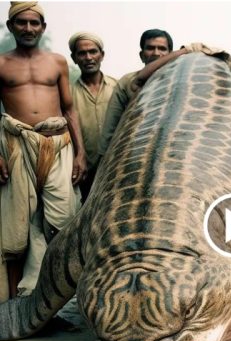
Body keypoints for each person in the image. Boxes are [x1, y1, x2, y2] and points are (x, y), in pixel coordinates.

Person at [0, 1, 87, 299]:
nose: (28, 28)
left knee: (61, 221)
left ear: (43, 27)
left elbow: (70, 109)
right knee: (17, 226)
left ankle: (53, 302)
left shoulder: (57, 62)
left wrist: (80, 153)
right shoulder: (1, 63)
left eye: (34, 23)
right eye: (21, 22)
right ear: (11, 26)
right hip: (17, 146)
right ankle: (14, 302)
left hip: (57, 145)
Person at [98, 28, 172, 160]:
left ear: (170, 53)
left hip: (169, 151)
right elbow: (111, 126)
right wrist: (103, 159)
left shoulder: (178, 82)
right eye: (150, 48)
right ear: (142, 55)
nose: (156, 53)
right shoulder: (127, 82)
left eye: (162, 48)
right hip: (133, 152)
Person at [68, 31, 117, 201]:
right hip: (83, 173)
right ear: (74, 58)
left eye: (93, 52)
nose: (88, 57)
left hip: (116, 170)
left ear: (102, 55)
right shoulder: (67, 94)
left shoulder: (118, 88)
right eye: (82, 53)